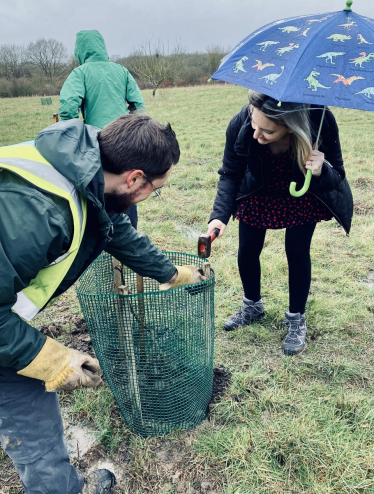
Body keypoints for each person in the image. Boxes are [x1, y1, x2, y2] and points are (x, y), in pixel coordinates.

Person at [0, 114, 204, 494]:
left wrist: (172, 274)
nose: (149, 196)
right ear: (134, 179)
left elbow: (114, 228)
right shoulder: (41, 214)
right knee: (35, 427)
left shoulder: (84, 164)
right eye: (154, 189)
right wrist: (53, 359)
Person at [207, 90, 353, 356]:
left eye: (268, 132)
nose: (256, 135)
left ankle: (296, 319)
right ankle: (252, 306)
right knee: (248, 249)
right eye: (255, 124)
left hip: (300, 194)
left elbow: (338, 176)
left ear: (290, 126)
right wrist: (219, 215)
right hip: (258, 190)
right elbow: (230, 173)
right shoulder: (242, 121)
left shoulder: (321, 122)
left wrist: (322, 170)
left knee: (297, 252)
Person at [59, 29, 146, 228]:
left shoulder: (80, 73)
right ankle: (128, 238)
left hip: (97, 143)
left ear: (80, 51)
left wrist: (77, 137)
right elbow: (138, 105)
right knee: (126, 187)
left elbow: (68, 108)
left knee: (100, 190)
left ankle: (101, 241)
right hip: (126, 142)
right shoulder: (122, 71)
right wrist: (134, 133)